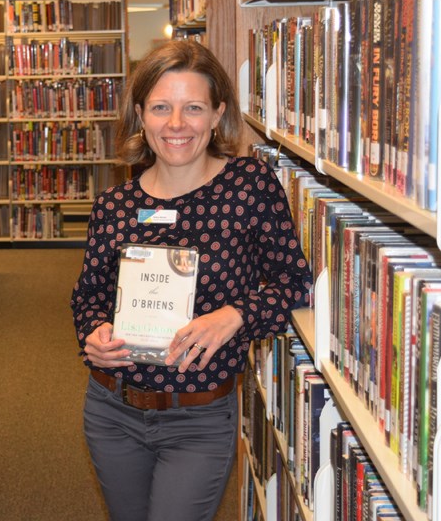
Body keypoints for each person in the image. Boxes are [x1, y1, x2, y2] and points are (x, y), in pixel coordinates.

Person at [71, 40, 312, 521]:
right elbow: (89, 298)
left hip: (198, 418)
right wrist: (92, 335)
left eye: (193, 107)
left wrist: (236, 316)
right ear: (141, 114)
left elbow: (296, 285)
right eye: (161, 107)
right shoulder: (115, 205)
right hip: (111, 410)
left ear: (218, 113)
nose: (176, 124)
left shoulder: (250, 186)